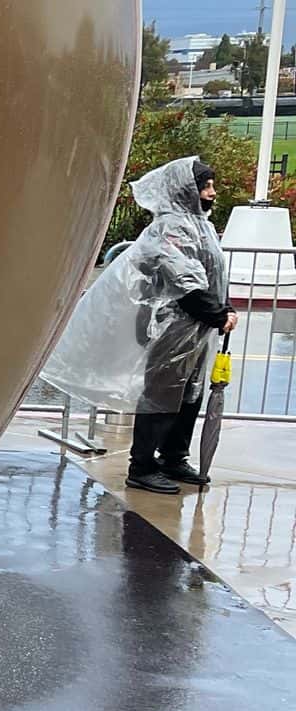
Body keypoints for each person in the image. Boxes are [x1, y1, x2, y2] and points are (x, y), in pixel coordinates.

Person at [41, 156, 237, 495]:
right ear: (187, 191)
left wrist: (224, 308)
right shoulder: (171, 228)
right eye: (206, 187)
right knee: (162, 398)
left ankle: (173, 457)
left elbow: (212, 275)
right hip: (172, 330)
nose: (212, 193)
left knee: (188, 397)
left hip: (196, 332)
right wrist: (218, 314)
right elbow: (183, 281)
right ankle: (142, 467)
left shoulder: (199, 225)